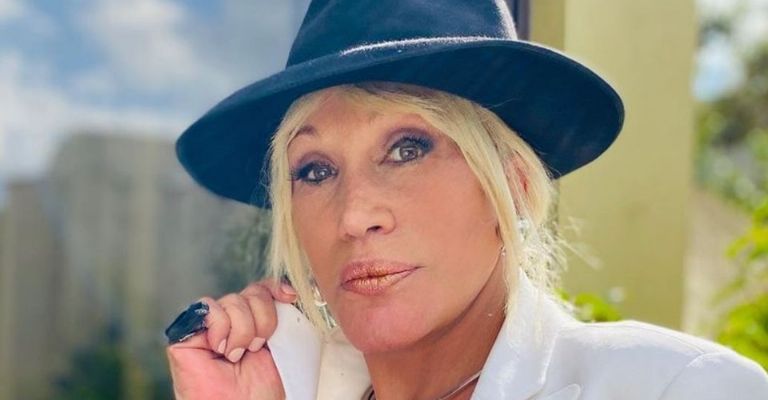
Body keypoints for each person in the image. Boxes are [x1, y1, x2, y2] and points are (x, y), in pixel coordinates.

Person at [166, 0, 768, 399]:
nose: (354, 215)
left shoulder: (683, 388)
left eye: (407, 149)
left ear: (516, 186)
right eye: (316, 170)